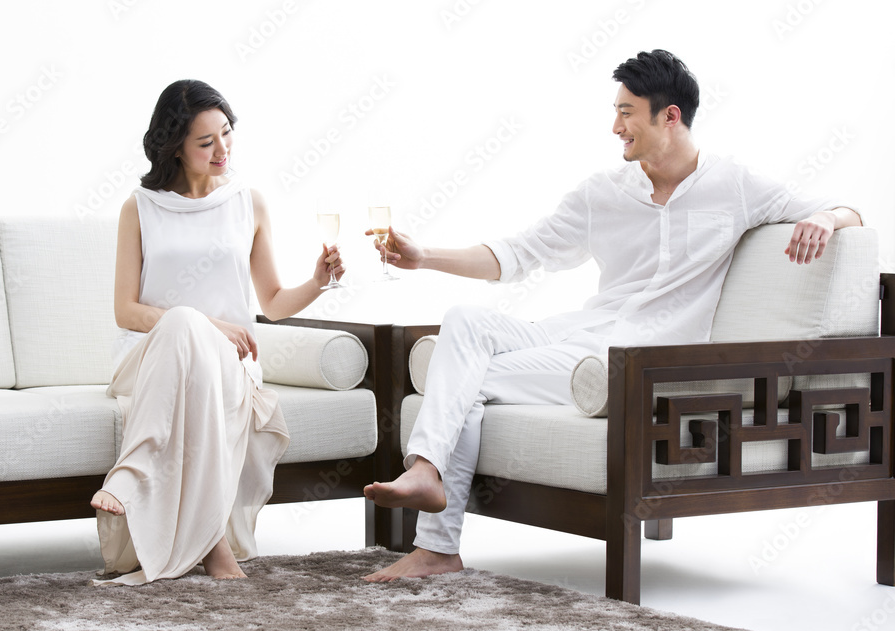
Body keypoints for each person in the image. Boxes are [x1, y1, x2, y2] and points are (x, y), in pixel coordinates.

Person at [361, 49, 863, 582]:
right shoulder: (603, 193)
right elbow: (518, 254)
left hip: (637, 363)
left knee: (461, 382)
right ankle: (426, 477)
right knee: (464, 319)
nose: (615, 126)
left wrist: (826, 220)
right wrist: (424, 257)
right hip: (584, 336)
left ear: (669, 116)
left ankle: (436, 540)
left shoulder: (733, 185)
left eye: (627, 112)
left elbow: (848, 207)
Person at [90, 80, 345, 585]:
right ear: (175, 147)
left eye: (226, 133)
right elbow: (125, 310)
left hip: (230, 364)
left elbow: (271, 301)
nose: (222, 150)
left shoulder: (249, 203)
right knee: (184, 321)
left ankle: (141, 487)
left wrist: (318, 282)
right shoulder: (139, 208)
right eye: (206, 142)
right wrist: (205, 325)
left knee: (205, 359)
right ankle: (214, 548)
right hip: (149, 360)